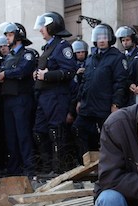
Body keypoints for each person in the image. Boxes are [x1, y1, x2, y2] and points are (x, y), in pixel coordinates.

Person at [73, 24, 127, 159]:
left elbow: (121, 83)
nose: (102, 40)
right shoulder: (90, 58)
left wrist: (116, 103)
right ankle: (86, 162)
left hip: (104, 106)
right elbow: (85, 80)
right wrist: (80, 100)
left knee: (107, 137)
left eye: (104, 37)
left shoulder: (117, 57)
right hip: (88, 105)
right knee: (78, 129)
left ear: (110, 39)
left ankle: (108, 166)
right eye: (99, 37)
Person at [33, 11, 77, 174]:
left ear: (52, 26)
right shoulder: (48, 47)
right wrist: (37, 74)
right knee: (39, 132)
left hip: (56, 96)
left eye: (43, 26)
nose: (40, 30)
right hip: (44, 96)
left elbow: (69, 71)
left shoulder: (62, 46)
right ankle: (46, 167)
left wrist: (47, 75)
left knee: (55, 132)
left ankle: (59, 170)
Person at [0, 22, 36, 176]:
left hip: (21, 99)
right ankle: (14, 168)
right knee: (11, 136)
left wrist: (6, 74)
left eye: (10, 35)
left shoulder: (27, 54)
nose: (7, 38)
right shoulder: (9, 57)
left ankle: (29, 168)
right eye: (6, 35)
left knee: (23, 134)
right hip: (8, 100)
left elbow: (23, 70)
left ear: (18, 36)